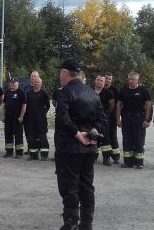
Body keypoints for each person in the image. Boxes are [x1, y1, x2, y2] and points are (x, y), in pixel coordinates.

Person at [54, 59, 106, 230]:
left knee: (70, 185)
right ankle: (86, 223)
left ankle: (70, 223)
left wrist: (77, 134)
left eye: (61, 72)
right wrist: (93, 130)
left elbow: (63, 117)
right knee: (86, 184)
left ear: (65, 73)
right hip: (89, 147)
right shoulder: (92, 93)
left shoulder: (64, 92)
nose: (60, 76)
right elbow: (101, 118)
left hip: (70, 148)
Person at [116, 72, 152, 169]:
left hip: (139, 118)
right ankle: (128, 162)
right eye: (129, 79)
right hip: (126, 118)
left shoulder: (143, 90)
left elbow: (149, 105)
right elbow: (118, 104)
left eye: (133, 79)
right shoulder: (123, 90)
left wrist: (147, 119)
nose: (131, 81)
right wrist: (118, 118)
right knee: (127, 140)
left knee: (138, 140)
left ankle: (139, 162)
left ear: (137, 80)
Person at [25, 78, 51, 161]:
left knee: (42, 137)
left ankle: (44, 155)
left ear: (41, 83)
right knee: (31, 137)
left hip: (41, 119)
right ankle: (33, 155)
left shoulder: (44, 93)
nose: (36, 84)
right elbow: (26, 105)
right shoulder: (28, 93)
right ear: (32, 83)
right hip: (30, 119)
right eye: (35, 82)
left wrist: (43, 113)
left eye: (38, 82)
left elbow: (48, 105)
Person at [93, 74, 115, 166]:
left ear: (104, 82)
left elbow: (112, 105)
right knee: (93, 137)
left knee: (105, 138)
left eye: (101, 80)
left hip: (104, 117)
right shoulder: (90, 91)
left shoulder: (108, 92)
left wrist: (105, 114)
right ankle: (93, 157)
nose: (99, 82)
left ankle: (106, 158)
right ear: (95, 80)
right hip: (92, 117)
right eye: (98, 80)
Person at [3, 77, 27, 158]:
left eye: (14, 82)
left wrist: (21, 116)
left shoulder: (21, 92)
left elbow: (24, 105)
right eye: (11, 82)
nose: (12, 84)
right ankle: (9, 152)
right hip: (8, 118)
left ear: (18, 83)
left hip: (17, 118)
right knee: (8, 135)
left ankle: (19, 153)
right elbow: (4, 105)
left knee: (18, 136)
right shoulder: (7, 92)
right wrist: (3, 116)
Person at [104, 72, 122, 163]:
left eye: (109, 79)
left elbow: (119, 104)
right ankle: (103, 155)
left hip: (111, 115)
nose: (107, 81)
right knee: (101, 136)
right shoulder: (99, 88)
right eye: (106, 78)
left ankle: (116, 156)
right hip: (100, 115)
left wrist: (117, 116)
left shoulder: (115, 90)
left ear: (112, 80)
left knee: (112, 135)